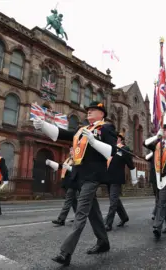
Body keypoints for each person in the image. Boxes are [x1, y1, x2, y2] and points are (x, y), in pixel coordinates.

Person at [33, 101, 116, 266]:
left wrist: (94, 141)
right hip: (80, 175)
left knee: (80, 214)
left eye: (93, 110)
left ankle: (66, 253)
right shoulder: (82, 129)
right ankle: (103, 242)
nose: (89, 112)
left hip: (93, 176)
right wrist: (43, 125)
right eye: (88, 110)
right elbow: (64, 134)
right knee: (93, 212)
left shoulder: (106, 128)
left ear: (102, 114)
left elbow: (111, 151)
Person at [105, 132, 138, 231]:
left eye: (116, 137)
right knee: (115, 200)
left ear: (120, 139)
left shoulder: (125, 149)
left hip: (117, 178)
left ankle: (108, 223)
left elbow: (130, 164)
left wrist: (134, 178)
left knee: (113, 201)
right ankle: (124, 217)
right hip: (108, 177)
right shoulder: (111, 148)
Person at [48, 147, 79, 226]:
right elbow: (61, 166)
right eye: (70, 150)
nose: (70, 151)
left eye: (72, 150)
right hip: (66, 183)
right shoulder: (68, 159)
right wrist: (51, 163)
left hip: (73, 183)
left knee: (68, 201)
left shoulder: (77, 159)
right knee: (74, 202)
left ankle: (61, 219)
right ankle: (78, 217)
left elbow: (77, 170)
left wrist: (69, 168)